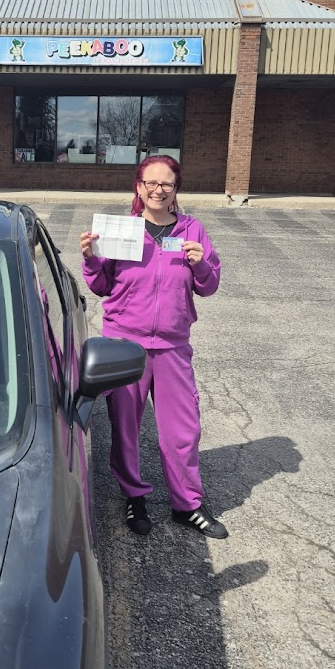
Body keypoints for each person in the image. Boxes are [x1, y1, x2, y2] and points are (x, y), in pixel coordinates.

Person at [80, 155, 227, 539]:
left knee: (182, 431)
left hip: (172, 346)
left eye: (167, 184)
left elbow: (209, 286)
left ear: (176, 189)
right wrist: (91, 259)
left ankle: (186, 504)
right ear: (139, 187)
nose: (158, 190)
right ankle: (134, 497)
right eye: (151, 183)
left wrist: (201, 265)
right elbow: (101, 285)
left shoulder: (193, 230)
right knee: (126, 427)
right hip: (125, 344)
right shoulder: (122, 230)